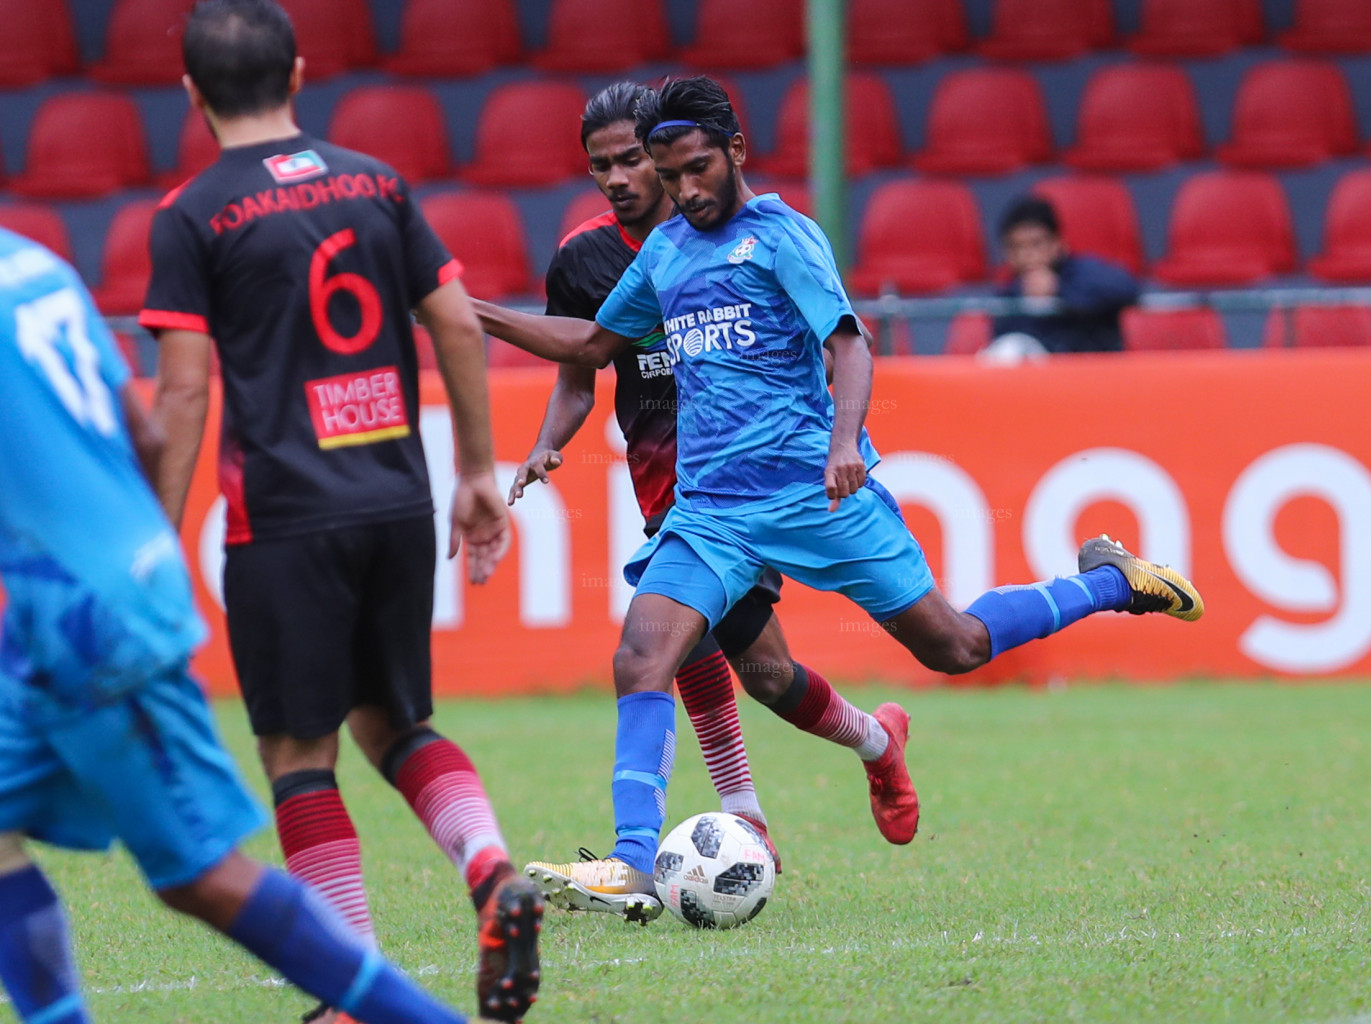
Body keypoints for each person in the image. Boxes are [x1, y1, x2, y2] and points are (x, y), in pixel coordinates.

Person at [474, 76, 1205, 911]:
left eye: (698, 170)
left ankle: (1113, 580)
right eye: (672, 178)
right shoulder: (669, 249)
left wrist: (841, 441)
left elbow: (847, 345)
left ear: (736, 153)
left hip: (814, 491)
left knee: (954, 646)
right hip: (711, 509)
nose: (686, 191)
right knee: (642, 655)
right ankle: (632, 862)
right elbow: (595, 341)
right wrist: (469, 313)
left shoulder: (784, 237)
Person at [0, 226, 517, 1024]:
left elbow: (179, 394)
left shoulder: (196, 215)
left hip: (86, 616)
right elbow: (142, 432)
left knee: (199, 873)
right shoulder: (37, 266)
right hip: (99, 592)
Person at [138, 2, 540, 1020]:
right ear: (300, 74)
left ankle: (351, 984)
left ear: (191, 95)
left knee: (296, 752)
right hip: (397, 500)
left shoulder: (190, 213)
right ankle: (490, 865)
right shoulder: (379, 183)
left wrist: (150, 535)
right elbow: (451, 315)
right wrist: (479, 469)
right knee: (395, 722)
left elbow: (184, 393)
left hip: (283, 518)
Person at [482, 83, 916, 921]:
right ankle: (867, 745)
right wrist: (550, 439)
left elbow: (836, 337)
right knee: (753, 669)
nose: (616, 176)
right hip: (668, 484)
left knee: (700, 658)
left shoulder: (742, 239)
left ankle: (691, 835)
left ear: (672, 153)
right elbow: (582, 367)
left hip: (752, 483)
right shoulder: (584, 261)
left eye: (630, 159)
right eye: (599, 164)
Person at [986, 196, 1140, 358]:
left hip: (1095, 376)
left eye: (1036, 243)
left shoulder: (1084, 272)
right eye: (1016, 247)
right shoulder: (1008, 300)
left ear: (1058, 243)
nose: (1026, 255)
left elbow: (1127, 288)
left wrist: (1059, 288)